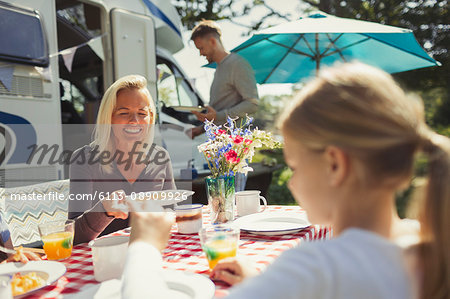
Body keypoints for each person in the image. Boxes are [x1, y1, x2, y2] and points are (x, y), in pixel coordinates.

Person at [121, 62, 450, 299]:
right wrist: (265, 284)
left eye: (295, 167)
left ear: (335, 164)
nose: (292, 183)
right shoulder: (428, 249)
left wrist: (144, 248)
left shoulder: (314, 269)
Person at [69, 75, 176, 245]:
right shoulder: (85, 159)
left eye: (142, 113)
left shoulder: (160, 158)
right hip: (103, 259)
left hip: (148, 252)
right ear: (108, 118)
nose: (134, 121)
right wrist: (104, 210)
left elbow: (171, 212)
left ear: (150, 119)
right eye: (124, 113)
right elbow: (72, 236)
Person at [188, 20, 259, 139]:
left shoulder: (237, 64)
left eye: (201, 48)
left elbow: (252, 104)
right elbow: (220, 109)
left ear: (212, 41)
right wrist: (201, 128)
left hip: (233, 146)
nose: (200, 53)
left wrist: (218, 116)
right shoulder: (220, 67)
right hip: (219, 143)